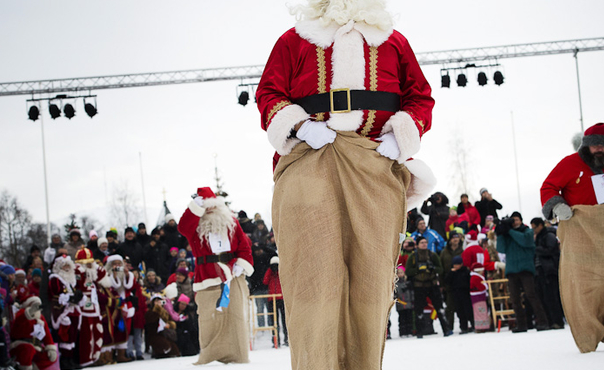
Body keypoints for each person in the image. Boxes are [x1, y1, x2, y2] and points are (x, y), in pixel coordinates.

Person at [256, 0, 436, 366]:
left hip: (375, 162)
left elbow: (420, 97)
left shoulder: (393, 41)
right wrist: (301, 126)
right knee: (312, 276)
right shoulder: (294, 41)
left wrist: (402, 135)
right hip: (310, 159)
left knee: (371, 281)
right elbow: (268, 94)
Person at [540, 122, 604, 353]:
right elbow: (548, 187)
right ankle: (586, 334)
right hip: (580, 230)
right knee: (582, 285)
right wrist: (558, 207)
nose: (597, 149)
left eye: (601, 146)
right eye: (592, 145)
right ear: (585, 145)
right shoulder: (570, 163)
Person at [178, 187, 254, 365]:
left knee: (235, 316)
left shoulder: (232, 223)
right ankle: (210, 354)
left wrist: (241, 265)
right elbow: (182, 227)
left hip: (232, 275)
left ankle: (237, 354)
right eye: (206, 207)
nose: (210, 210)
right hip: (207, 277)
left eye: (213, 206)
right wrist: (194, 207)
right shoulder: (195, 226)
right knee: (208, 318)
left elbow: (244, 246)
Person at [495, 213, 549, 332]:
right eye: (512, 220)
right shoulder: (507, 234)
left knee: (531, 295)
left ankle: (543, 321)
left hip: (526, 269)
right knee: (515, 299)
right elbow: (501, 249)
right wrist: (499, 233)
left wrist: (509, 231)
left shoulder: (527, 232)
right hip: (512, 270)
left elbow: (525, 242)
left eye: (516, 220)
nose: (514, 222)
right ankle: (521, 324)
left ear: (521, 220)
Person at [405, 236, 451, 338]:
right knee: (419, 310)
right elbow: (408, 271)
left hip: (432, 285)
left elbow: (440, 269)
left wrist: (432, 268)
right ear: (417, 245)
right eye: (422, 242)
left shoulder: (432, 255)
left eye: (425, 242)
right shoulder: (413, 257)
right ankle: (419, 332)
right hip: (418, 286)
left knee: (439, 308)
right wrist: (418, 269)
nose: (424, 244)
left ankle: (446, 329)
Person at [98, 255, 136, 364]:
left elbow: (128, 286)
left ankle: (121, 354)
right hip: (112, 304)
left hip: (123, 303)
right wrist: (114, 275)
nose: (117, 266)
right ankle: (111, 354)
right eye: (115, 264)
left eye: (119, 264)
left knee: (123, 329)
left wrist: (127, 274)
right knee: (112, 329)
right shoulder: (107, 275)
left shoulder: (125, 274)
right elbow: (114, 285)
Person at [47, 255, 84, 369]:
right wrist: (71, 298)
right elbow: (55, 295)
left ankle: (71, 359)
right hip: (63, 312)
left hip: (73, 310)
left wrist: (78, 297)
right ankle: (64, 361)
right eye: (64, 266)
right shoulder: (55, 279)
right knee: (65, 336)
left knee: (72, 336)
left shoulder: (72, 280)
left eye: (68, 265)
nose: (67, 268)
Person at [74, 248, 108, 367]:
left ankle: (95, 357)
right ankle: (86, 359)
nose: (89, 265)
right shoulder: (78, 272)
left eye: (90, 262)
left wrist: (95, 266)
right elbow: (80, 285)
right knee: (86, 335)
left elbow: (103, 274)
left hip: (94, 308)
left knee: (97, 333)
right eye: (86, 263)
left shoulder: (92, 273)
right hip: (84, 308)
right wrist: (84, 269)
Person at [531, 217, 564, 329]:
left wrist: (536, 249)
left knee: (552, 297)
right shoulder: (538, 238)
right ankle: (550, 321)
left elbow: (551, 250)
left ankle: (557, 321)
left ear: (540, 225)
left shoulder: (549, 236)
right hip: (541, 271)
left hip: (549, 270)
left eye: (534, 227)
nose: (533, 230)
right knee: (544, 297)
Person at [10, 296, 59, 370]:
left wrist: (50, 348)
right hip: (21, 344)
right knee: (28, 349)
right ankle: (25, 367)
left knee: (51, 357)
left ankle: (34, 367)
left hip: (36, 346)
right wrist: (29, 313)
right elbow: (18, 324)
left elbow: (47, 335)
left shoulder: (41, 318)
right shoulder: (21, 314)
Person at [439, 230, 464, 330]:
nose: (456, 239)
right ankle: (449, 327)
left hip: (462, 282)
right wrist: (441, 284)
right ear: (450, 240)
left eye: (457, 237)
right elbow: (441, 270)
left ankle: (464, 326)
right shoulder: (444, 253)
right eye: (454, 237)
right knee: (450, 306)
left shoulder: (463, 250)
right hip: (449, 283)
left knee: (462, 306)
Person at [445, 256, 473, 334]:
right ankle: (463, 327)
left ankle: (473, 324)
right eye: (454, 264)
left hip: (465, 293)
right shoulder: (451, 273)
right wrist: (451, 273)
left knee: (468, 310)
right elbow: (447, 281)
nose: (456, 266)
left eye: (457, 264)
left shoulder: (466, 271)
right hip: (456, 293)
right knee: (460, 312)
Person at [263, 256, 287, 346]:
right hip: (272, 299)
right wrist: (270, 271)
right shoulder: (270, 273)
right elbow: (265, 281)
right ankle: (276, 340)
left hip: (281, 298)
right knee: (274, 322)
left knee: (285, 321)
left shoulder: (282, 272)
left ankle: (286, 339)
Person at [394, 266, 414, 337]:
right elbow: (395, 294)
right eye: (398, 273)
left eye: (401, 272)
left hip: (408, 304)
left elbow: (412, 293)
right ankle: (402, 332)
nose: (400, 274)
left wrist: (412, 301)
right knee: (401, 319)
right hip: (400, 305)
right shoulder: (395, 284)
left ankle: (410, 331)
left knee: (409, 318)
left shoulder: (408, 283)